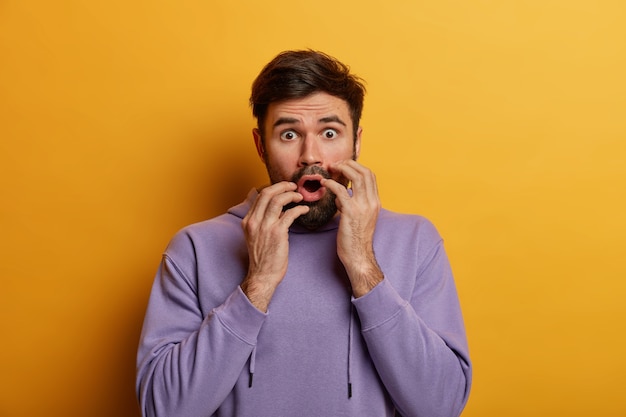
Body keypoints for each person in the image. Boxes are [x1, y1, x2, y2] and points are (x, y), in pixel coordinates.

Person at [136, 50, 472, 417]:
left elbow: (441, 406)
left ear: (356, 142)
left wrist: (363, 265)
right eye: (289, 133)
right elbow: (163, 409)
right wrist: (258, 283)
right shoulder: (195, 249)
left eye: (330, 133)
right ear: (261, 145)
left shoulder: (416, 241)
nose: (310, 156)